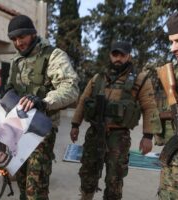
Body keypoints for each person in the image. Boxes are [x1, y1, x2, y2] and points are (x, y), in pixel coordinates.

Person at [70, 41, 162, 200]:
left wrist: (148, 136)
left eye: (122, 55)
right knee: (88, 173)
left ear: (129, 56)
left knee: (115, 179)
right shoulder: (98, 78)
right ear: (110, 55)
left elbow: (150, 108)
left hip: (119, 137)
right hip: (95, 133)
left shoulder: (140, 79)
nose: (118, 58)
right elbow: (83, 101)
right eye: (115, 54)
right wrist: (75, 125)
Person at [5, 15, 79, 200]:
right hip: (17, 129)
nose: (18, 42)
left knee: (35, 188)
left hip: (41, 129)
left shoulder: (53, 55)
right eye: (14, 39)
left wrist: (44, 101)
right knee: (21, 182)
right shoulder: (16, 61)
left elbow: (70, 88)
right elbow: (10, 89)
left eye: (21, 37)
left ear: (32, 33)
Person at [158, 12, 178, 199]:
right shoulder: (174, 72)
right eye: (171, 42)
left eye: (177, 41)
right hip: (173, 165)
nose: (173, 48)